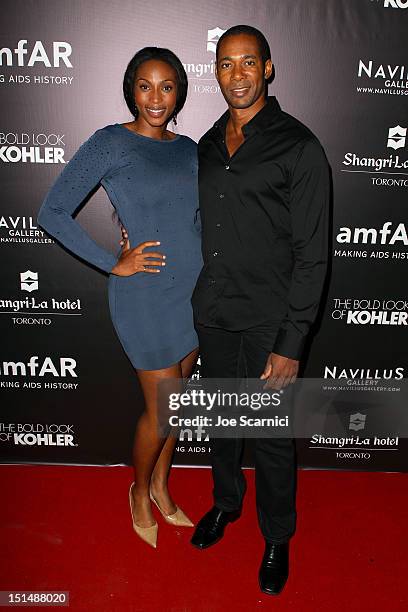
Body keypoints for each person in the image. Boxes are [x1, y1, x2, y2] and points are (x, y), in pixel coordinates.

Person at [37, 47, 203, 549]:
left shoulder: (190, 148)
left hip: (193, 293)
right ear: (132, 88)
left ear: (179, 92)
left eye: (167, 86)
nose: (156, 97)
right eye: (146, 85)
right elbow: (53, 210)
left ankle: (160, 484)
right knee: (163, 408)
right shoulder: (111, 142)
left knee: (178, 405)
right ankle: (137, 492)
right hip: (143, 293)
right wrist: (114, 261)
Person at [190, 25, 330, 595]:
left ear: (268, 69)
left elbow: (313, 256)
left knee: (271, 437)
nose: (238, 74)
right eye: (227, 64)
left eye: (250, 62)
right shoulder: (204, 145)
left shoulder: (299, 146)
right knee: (225, 424)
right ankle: (226, 503)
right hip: (215, 311)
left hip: (272, 322)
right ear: (216, 72)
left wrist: (291, 342)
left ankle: (277, 536)